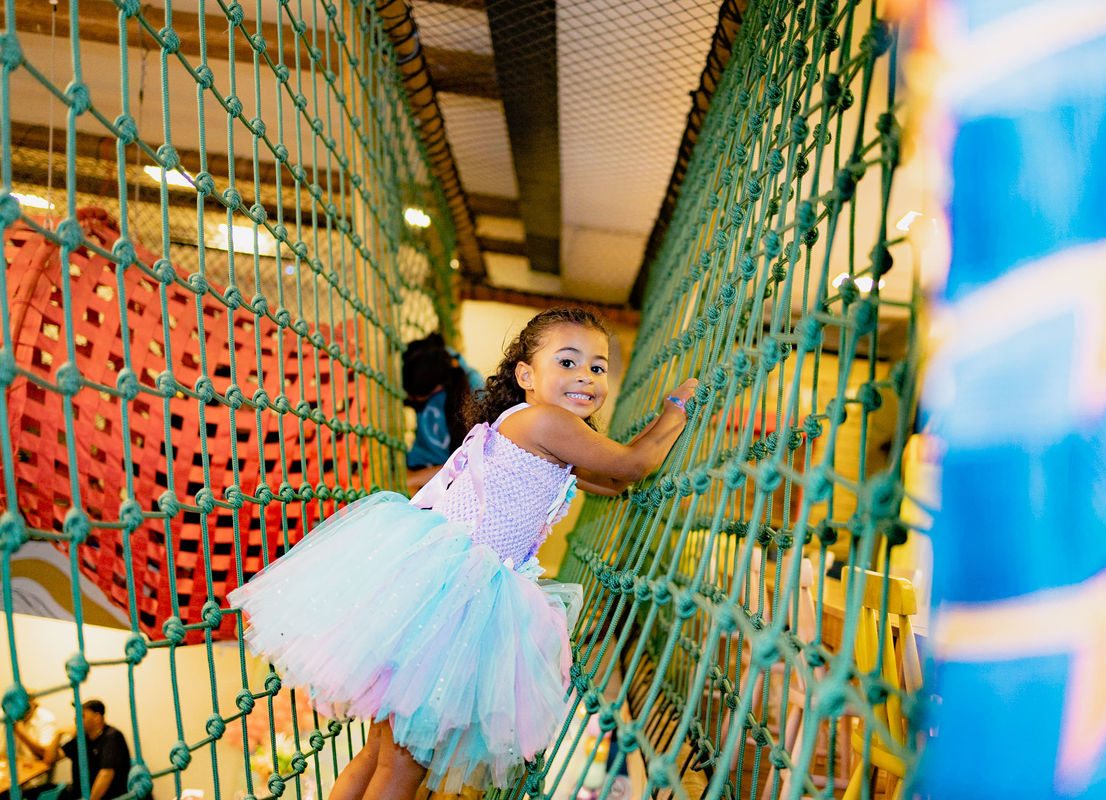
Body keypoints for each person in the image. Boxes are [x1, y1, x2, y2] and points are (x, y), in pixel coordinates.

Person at [228, 307, 696, 799]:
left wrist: (639, 453)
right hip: (455, 597)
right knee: (404, 766)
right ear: (526, 375)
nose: (585, 376)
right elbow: (632, 464)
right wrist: (676, 410)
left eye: (598, 368)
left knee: (382, 754)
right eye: (567, 362)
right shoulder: (548, 422)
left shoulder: (532, 426)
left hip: (433, 589)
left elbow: (613, 480)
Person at [401, 333, 485, 492]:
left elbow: (466, 463)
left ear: (438, 386)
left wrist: (413, 478)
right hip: (413, 464)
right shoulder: (431, 355)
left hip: (438, 477)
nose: (409, 398)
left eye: (414, 395)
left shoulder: (473, 392)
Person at [60, 700, 130, 800]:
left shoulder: (112, 736)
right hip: (79, 793)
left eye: (82, 716)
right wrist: (58, 733)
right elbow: (50, 759)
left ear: (97, 717)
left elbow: (106, 774)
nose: (76, 720)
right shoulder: (82, 738)